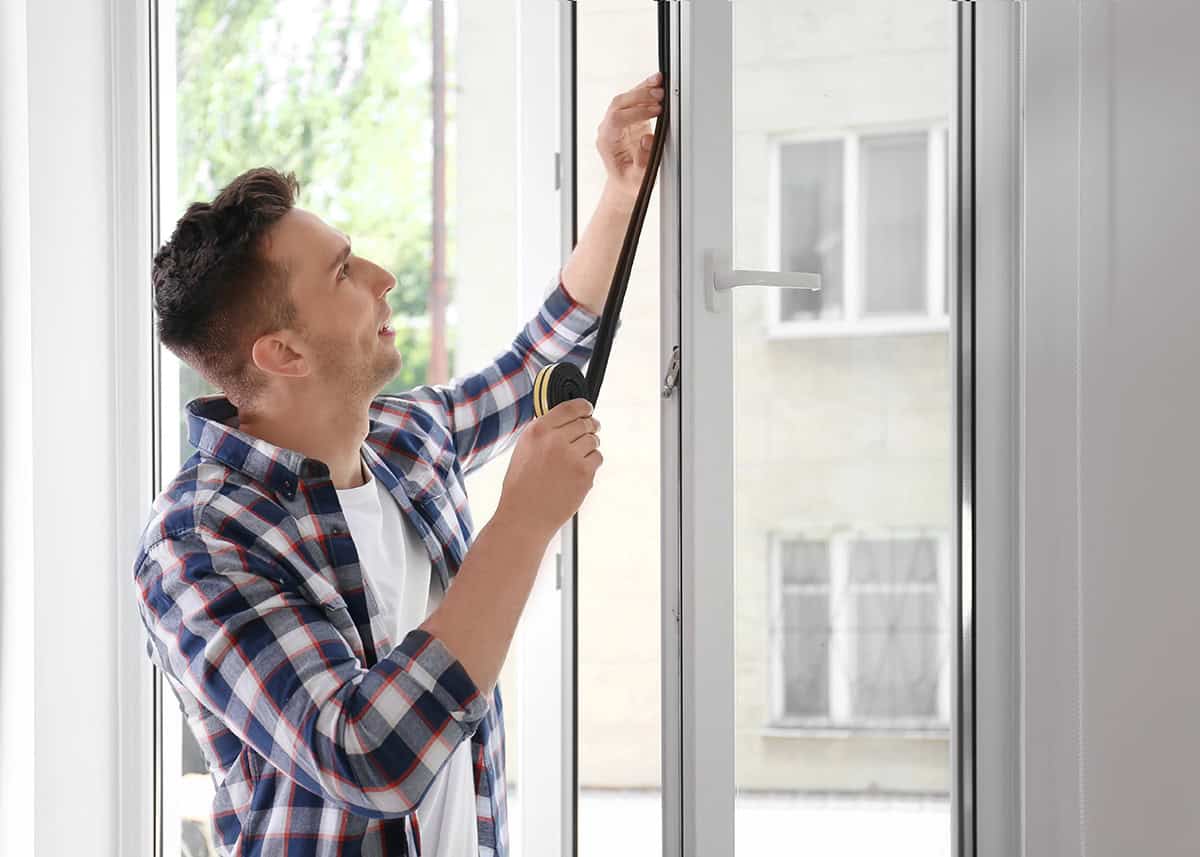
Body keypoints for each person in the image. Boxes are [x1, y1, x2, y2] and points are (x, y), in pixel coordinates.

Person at [133, 73, 666, 857]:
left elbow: (544, 356)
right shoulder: (196, 545)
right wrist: (522, 523)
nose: (384, 277)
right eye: (345, 271)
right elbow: (365, 755)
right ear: (280, 351)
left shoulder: (403, 439)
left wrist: (622, 193)